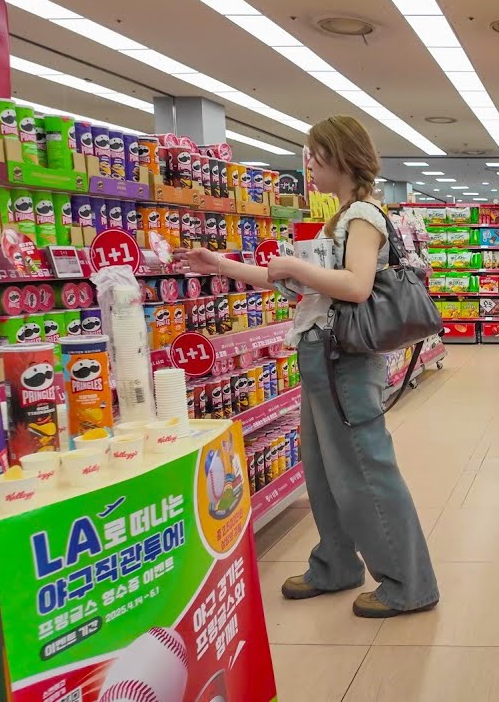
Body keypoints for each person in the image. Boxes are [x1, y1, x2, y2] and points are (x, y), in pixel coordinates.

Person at [178, 115, 438, 619]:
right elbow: (297, 284)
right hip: (322, 356)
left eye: (316, 156)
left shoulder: (362, 214)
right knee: (321, 470)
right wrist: (221, 264)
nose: (310, 165)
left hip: (345, 362)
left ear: (342, 156)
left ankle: (409, 583)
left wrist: (296, 266)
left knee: (365, 470)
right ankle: (335, 563)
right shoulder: (338, 218)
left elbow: (357, 285)